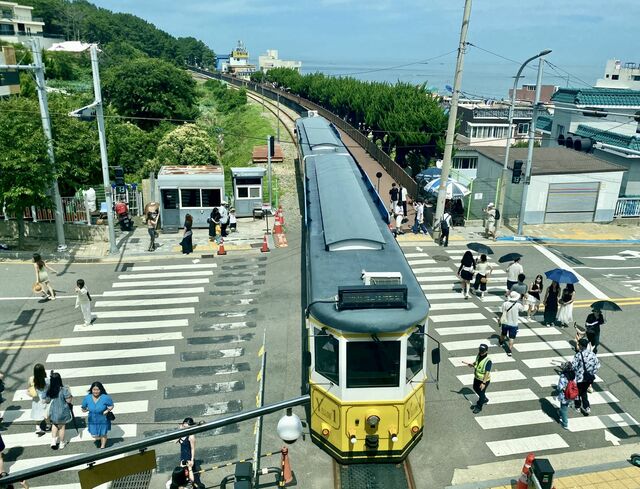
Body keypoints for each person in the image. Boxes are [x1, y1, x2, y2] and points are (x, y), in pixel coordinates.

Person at [81, 381, 114, 449]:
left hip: (103, 419)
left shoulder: (105, 397)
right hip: (92, 419)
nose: (96, 391)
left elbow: (111, 405)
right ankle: (99, 438)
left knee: (103, 433)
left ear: (101, 390)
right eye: (94, 389)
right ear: (91, 390)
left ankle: (103, 446)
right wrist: (87, 409)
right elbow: (83, 408)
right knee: (94, 435)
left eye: (98, 390)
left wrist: (107, 410)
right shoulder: (87, 398)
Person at [572, 338, 601, 415]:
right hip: (589, 378)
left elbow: (574, 366)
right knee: (584, 392)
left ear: (581, 346)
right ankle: (586, 407)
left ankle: (577, 406)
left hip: (579, 378)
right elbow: (597, 365)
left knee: (577, 392)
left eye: (579, 345)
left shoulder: (578, 355)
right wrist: (591, 373)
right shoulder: (592, 354)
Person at [45, 372, 73, 450]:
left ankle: (53, 441)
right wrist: (70, 392)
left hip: (53, 411)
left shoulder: (50, 390)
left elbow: (47, 401)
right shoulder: (64, 390)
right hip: (63, 412)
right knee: (61, 428)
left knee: (54, 425)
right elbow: (69, 401)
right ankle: (61, 443)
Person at [463, 344, 492, 414]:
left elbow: (487, 373)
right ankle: (484, 399)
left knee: (481, 393)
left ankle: (479, 406)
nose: (481, 352)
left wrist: (484, 383)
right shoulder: (479, 355)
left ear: (486, 351)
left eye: (482, 351)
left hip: (483, 380)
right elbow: (477, 363)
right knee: (475, 388)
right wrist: (472, 364)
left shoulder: (488, 361)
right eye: (480, 350)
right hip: (477, 378)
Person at [499, 291, 525, 357]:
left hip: (505, 322)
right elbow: (522, 310)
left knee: (503, 333)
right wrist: (523, 302)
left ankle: (501, 342)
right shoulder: (518, 305)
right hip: (514, 324)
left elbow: (502, 312)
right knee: (511, 338)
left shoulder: (505, 303)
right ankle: (509, 350)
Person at [27, 363, 49, 434]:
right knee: (46, 412)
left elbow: (29, 386)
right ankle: (48, 425)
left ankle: (38, 428)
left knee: (37, 412)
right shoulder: (47, 380)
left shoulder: (31, 379)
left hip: (36, 398)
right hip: (45, 398)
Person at [556, 362, 576, 430]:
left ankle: (565, 423)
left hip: (564, 395)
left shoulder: (563, 376)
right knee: (565, 406)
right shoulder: (573, 375)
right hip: (571, 395)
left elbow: (559, 387)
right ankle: (561, 413)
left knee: (564, 409)